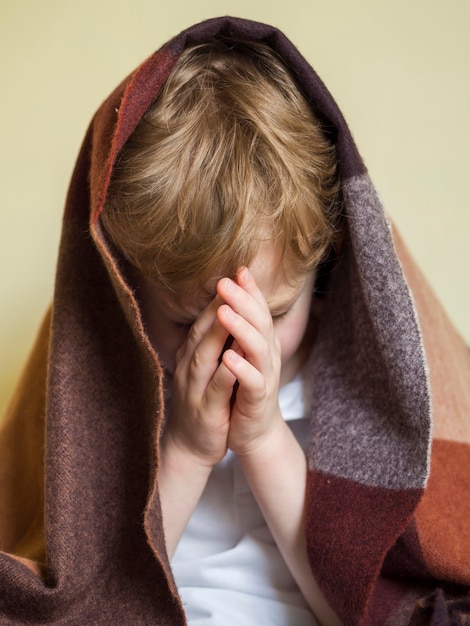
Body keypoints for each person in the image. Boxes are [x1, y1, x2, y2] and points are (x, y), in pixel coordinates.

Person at [0, 16, 469, 626]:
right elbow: (90, 601)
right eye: (185, 320)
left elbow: (367, 607)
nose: (229, 351)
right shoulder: (105, 381)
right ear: (126, 290)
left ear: (325, 267)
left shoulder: (365, 389)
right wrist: (190, 449)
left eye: (270, 313)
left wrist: (264, 437)